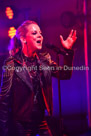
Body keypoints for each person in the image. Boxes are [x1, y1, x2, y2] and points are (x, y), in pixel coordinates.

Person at [0, 20, 77, 136]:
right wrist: (4, 131)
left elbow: (65, 74)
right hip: (21, 124)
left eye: (40, 33)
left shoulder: (45, 60)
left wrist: (68, 52)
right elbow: (4, 100)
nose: (40, 35)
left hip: (41, 120)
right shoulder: (12, 64)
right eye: (35, 33)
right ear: (23, 39)